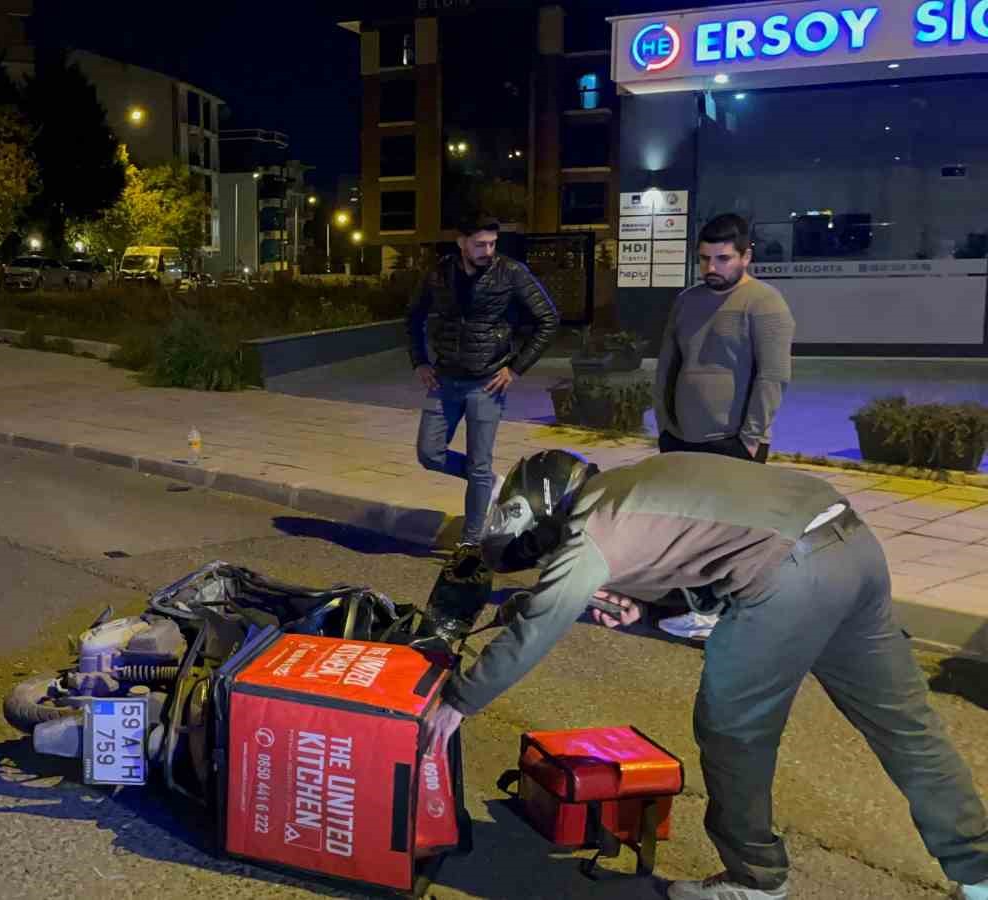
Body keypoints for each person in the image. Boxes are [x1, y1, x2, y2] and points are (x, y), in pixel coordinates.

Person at [425, 449, 988, 900]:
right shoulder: (633, 482)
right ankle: (978, 869)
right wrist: (648, 612)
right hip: (852, 542)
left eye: (539, 551)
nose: (546, 559)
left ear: (542, 514)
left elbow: (538, 626)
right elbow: (708, 545)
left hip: (791, 576)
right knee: (904, 724)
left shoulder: (592, 527)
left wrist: (459, 700)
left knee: (732, 729)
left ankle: (756, 877)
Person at [653, 213, 795, 641]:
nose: (711, 268)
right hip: (681, 437)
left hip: (733, 442)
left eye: (722, 258)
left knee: (728, 534)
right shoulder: (687, 301)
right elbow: (668, 364)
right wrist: (665, 423)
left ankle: (724, 617)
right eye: (704, 259)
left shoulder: (765, 304)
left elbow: (773, 377)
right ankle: (697, 604)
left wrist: (750, 439)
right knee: (688, 528)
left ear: (746, 256)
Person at [408, 213, 559, 546]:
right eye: (480, 244)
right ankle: (490, 482)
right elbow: (414, 316)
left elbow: (548, 319)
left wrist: (515, 368)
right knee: (429, 453)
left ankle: (471, 542)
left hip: (487, 382)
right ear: (461, 242)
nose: (488, 251)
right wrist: (419, 361)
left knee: (478, 463)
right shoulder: (438, 273)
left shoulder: (511, 272)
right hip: (444, 380)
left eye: (492, 244)